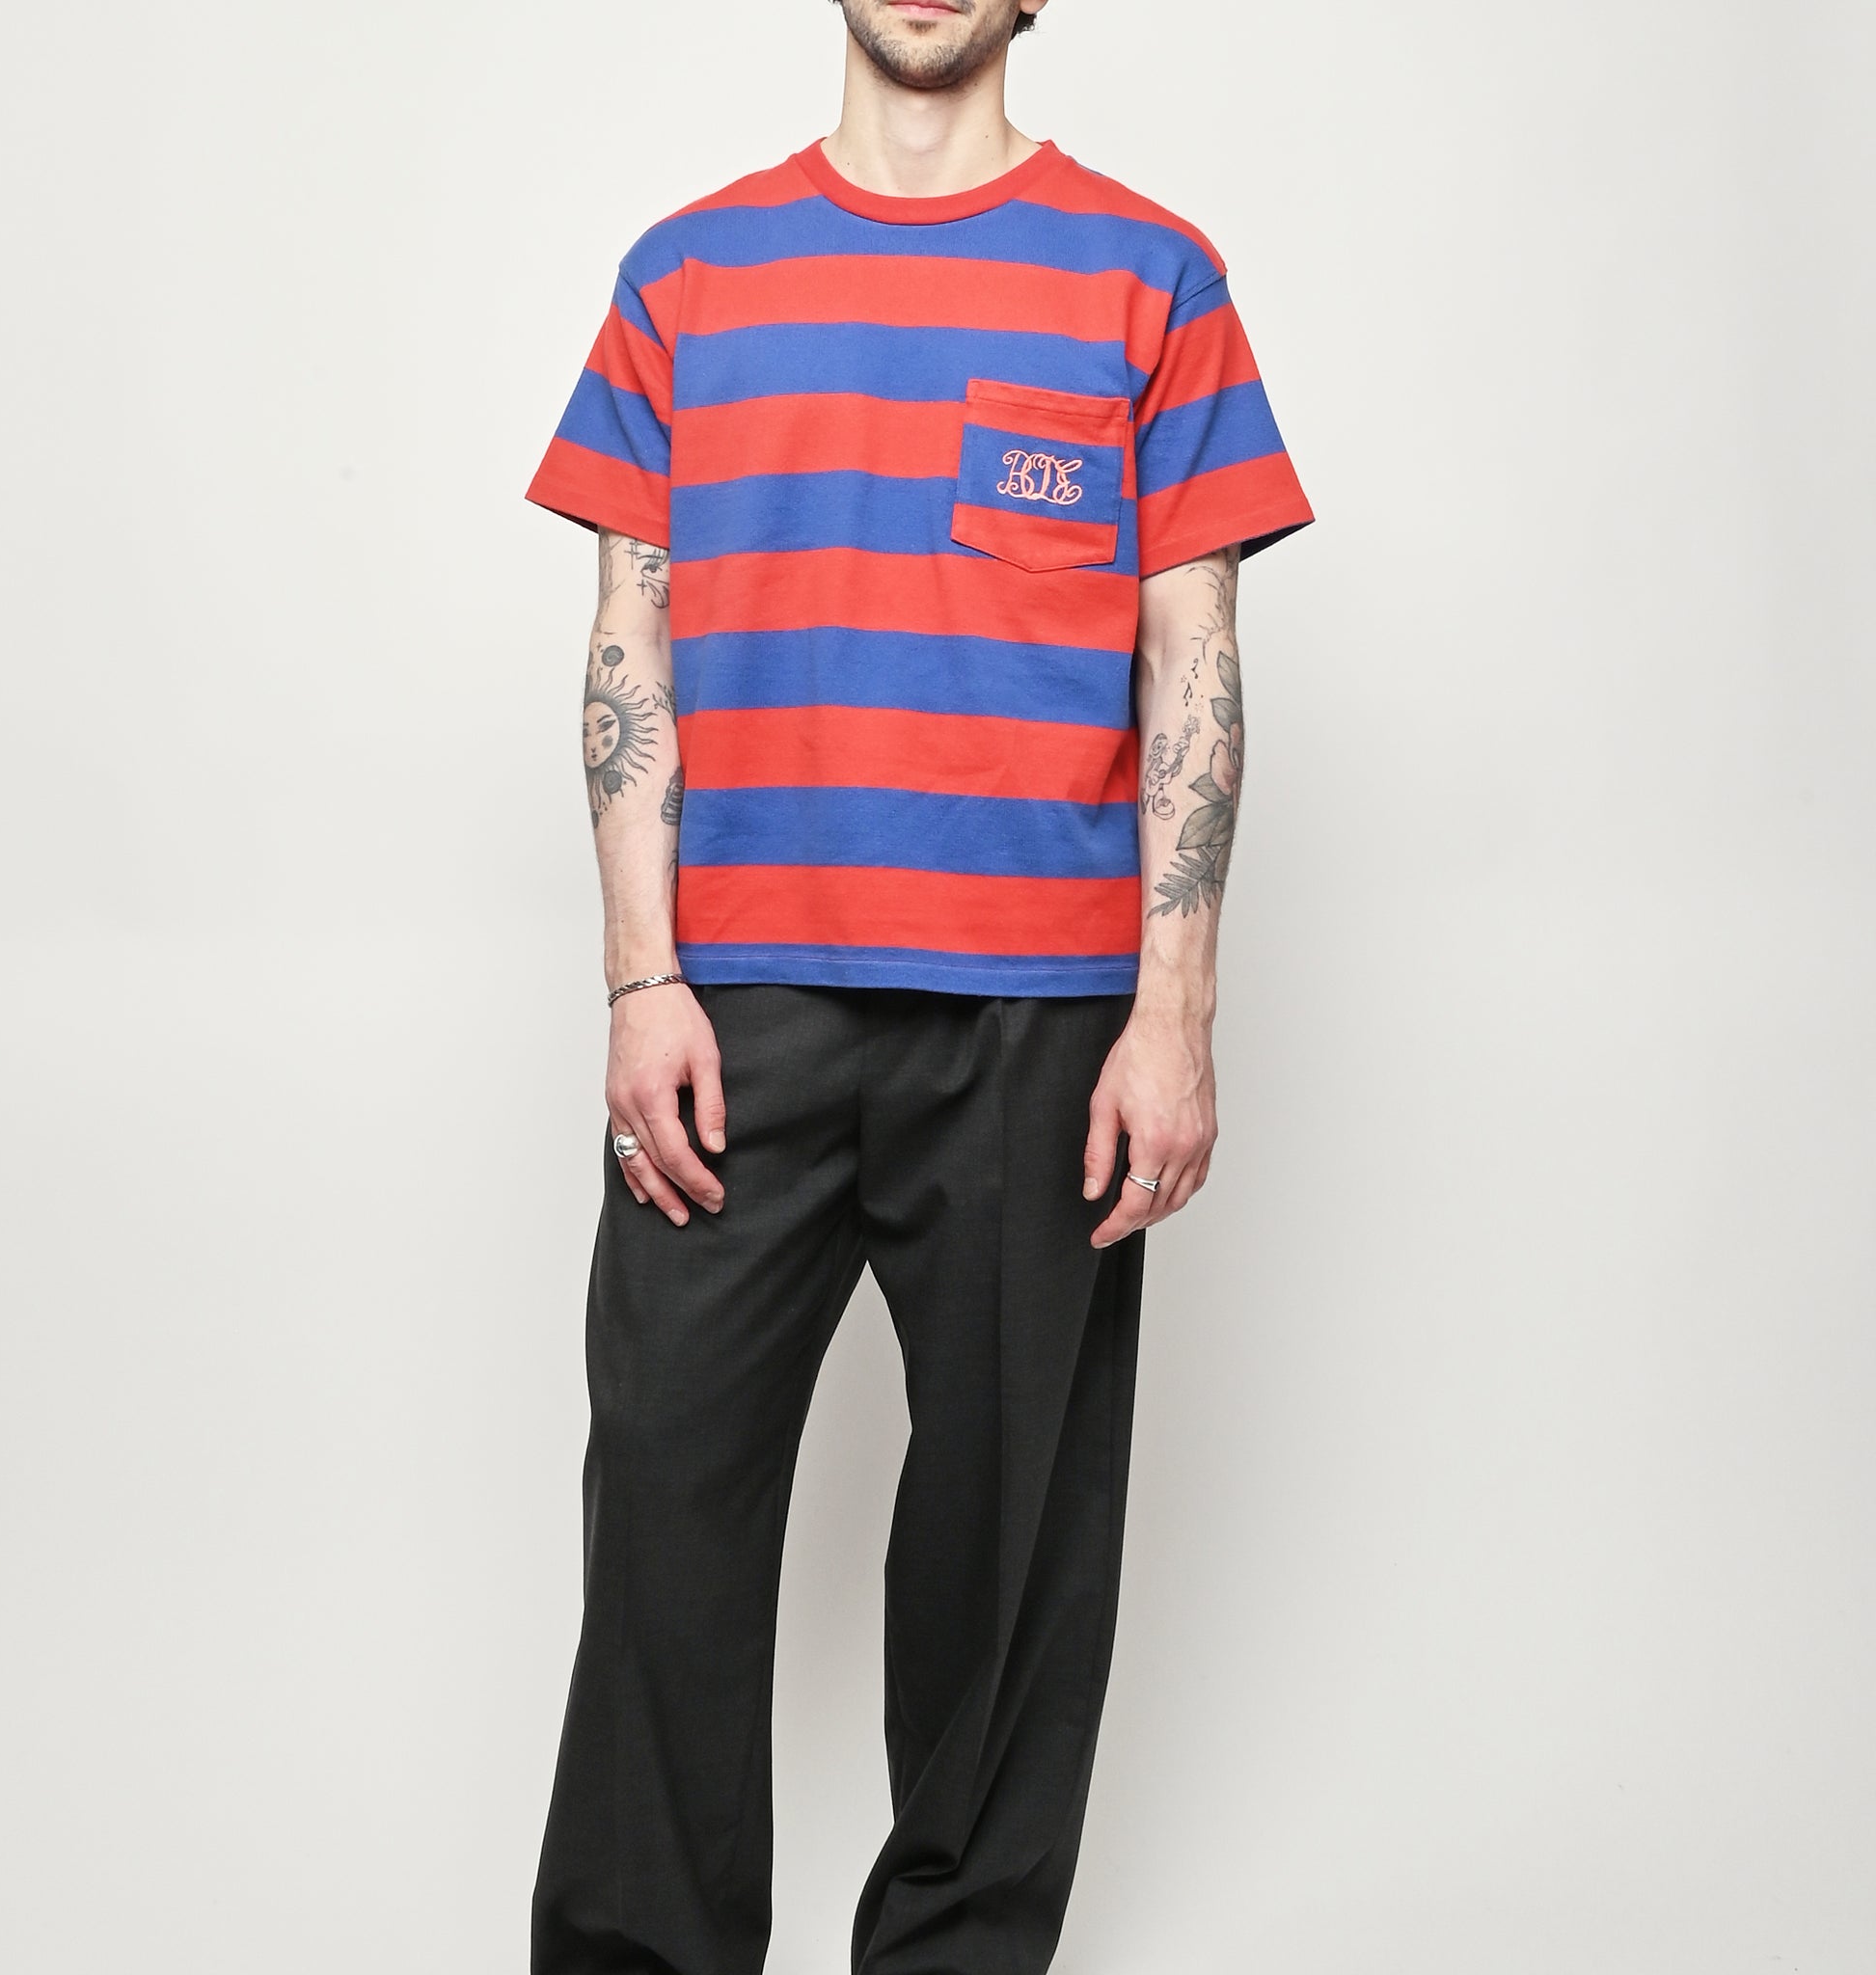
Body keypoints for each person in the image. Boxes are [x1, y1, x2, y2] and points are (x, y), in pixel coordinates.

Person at [522, 4, 1312, 1970]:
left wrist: (1174, 1015)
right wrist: (640, 980)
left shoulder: (1151, 277)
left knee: (1006, 1576)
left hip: (1041, 1032)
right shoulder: (687, 274)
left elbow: (1194, 660)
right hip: (734, 1023)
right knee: (666, 1543)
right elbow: (628, 633)